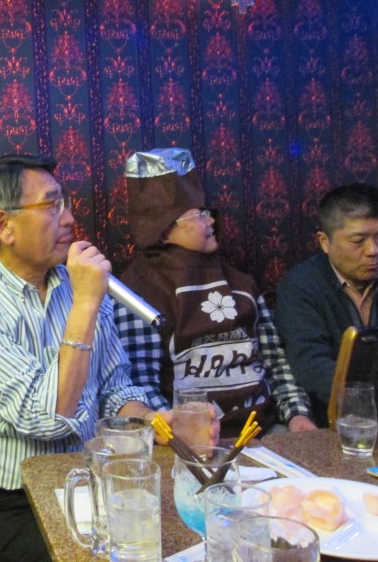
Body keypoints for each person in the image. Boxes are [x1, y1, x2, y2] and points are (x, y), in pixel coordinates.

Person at [0, 153, 165, 562]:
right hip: (6, 505)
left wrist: (158, 422)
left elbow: (115, 388)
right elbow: (46, 418)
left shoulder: (77, 286)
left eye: (66, 203)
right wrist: (86, 304)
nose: (69, 219)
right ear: (4, 226)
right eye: (52, 205)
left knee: (160, 539)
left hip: (86, 484)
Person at [115, 148, 316, 438]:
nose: (210, 221)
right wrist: (178, 432)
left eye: (206, 212)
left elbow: (274, 361)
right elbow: (141, 385)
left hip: (265, 429)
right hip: (188, 440)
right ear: (163, 230)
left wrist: (297, 414)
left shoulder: (240, 283)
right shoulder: (138, 292)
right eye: (199, 215)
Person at [275, 183, 378, 426]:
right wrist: (368, 409)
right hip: (336, 420)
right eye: (358, 241)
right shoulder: (300, 287)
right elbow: (313, 365)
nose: (374, 251)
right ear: (325, 242)